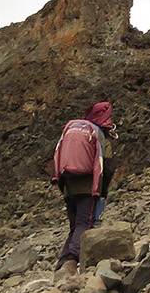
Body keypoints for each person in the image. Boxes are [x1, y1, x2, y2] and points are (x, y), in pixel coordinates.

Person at [50, 101, 118, 274]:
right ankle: (72, 261)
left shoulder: (74, 130)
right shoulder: (100, 136)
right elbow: (107, 167)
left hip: (68, 187)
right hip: (88, 187)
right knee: (84, 224)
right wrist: (102, 192)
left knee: (75, 225)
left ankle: (62, 263)